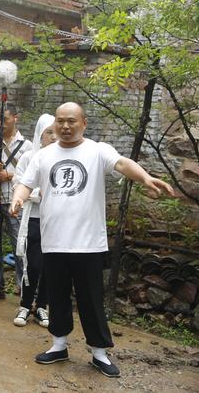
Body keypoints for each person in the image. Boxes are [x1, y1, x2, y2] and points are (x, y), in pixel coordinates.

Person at [11, 102, 174, 378]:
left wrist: (146, 177)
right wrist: (18, 196)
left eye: (71, 121)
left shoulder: (98, 150)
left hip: (88, 243)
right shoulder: (44, 155)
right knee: (57, 297)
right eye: (60, 121)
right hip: (54, 241)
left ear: (83, 123)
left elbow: (122, 164)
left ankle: (99, 352)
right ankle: (59, 345)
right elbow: (26, 182)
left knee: (90, 299)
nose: (65, 126)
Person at [0, 103, 32, 301]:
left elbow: (30, 175)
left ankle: (23, 284)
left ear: (15, 118)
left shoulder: (27, 146)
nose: (1, 123)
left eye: (5, 119)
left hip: (14, 201)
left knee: (19, 244)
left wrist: (9, 175)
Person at [11, 114, 56, 328]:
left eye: (55, 132)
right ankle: (25, 304)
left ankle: (42, 307)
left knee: (50, 265)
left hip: (56, 220)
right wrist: (37, 194)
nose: (54, 137)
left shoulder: (62, 157)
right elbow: (18, 181)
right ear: (40, 134)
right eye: (49, 132)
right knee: (33, 264)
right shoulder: (30, 156)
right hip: (34, 218)